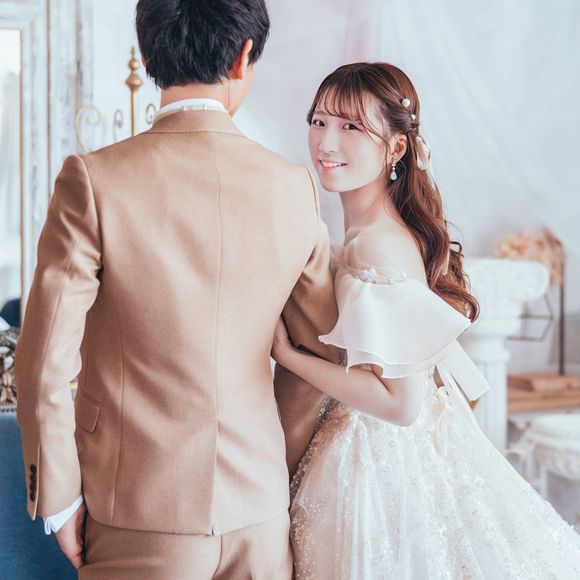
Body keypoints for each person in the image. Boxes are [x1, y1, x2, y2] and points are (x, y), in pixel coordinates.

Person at [15, 1, 339, 577]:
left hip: (136, 509)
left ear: (148, 51)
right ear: (243, 56)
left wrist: (59, 499)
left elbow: (43, 365)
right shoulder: (294, 187)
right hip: (261, 513)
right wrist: (272, 469)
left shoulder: (95, 181)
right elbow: (317, 356)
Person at [271, 62, 580, 579]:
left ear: (395, 148)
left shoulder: (376, 245)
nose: (326, 141)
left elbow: (401, 403)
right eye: (319, 120)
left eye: (351, 126)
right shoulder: (375, 229)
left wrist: (289, 356)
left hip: (375, 458)